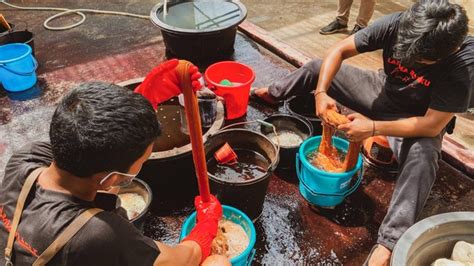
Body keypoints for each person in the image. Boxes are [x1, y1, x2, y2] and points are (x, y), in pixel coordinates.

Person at [253, 0, 473, 265]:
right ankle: (272, 92)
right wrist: (321, 93)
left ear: (450, 50)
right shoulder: (401, 23)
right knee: (316, 68)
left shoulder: (464, 64)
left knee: (423, 157)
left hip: (415, 118)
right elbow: (340, 50)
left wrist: (372, 127)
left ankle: (390, 241)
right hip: (380, 91)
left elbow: (432, 125)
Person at [0, 61, 228, 265]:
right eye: (143, 160)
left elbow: (92, 145)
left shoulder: (26, 159)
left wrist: (142, 104)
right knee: (218, 263)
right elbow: (181, 260)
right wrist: (206, 228)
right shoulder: (99, 234)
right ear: (112, 178)